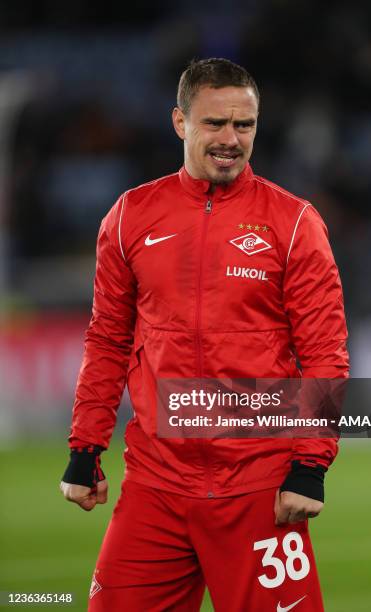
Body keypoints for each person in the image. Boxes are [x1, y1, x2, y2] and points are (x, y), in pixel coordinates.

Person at [60, 58, 349, 611]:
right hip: (156, 485)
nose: (230, 139)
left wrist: (310, 467)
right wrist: (85, 447)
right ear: (179, 122)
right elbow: (107, 341)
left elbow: (324, 352)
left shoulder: (293, 224)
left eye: (244, 125)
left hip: (258, 486)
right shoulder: (129, 217)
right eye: (214, 123)